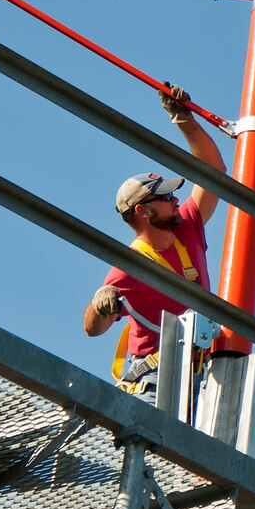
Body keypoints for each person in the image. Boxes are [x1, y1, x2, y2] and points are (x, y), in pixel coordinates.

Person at [82, 84, 225, 400]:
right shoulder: (130, 267)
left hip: (201, 376)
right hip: (155, 381)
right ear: (143, 211)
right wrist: (99, 302)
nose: (176, 201)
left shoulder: (186, 226)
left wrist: (184, 119)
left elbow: (214, 172)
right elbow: (92, 328)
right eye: (166, 197)